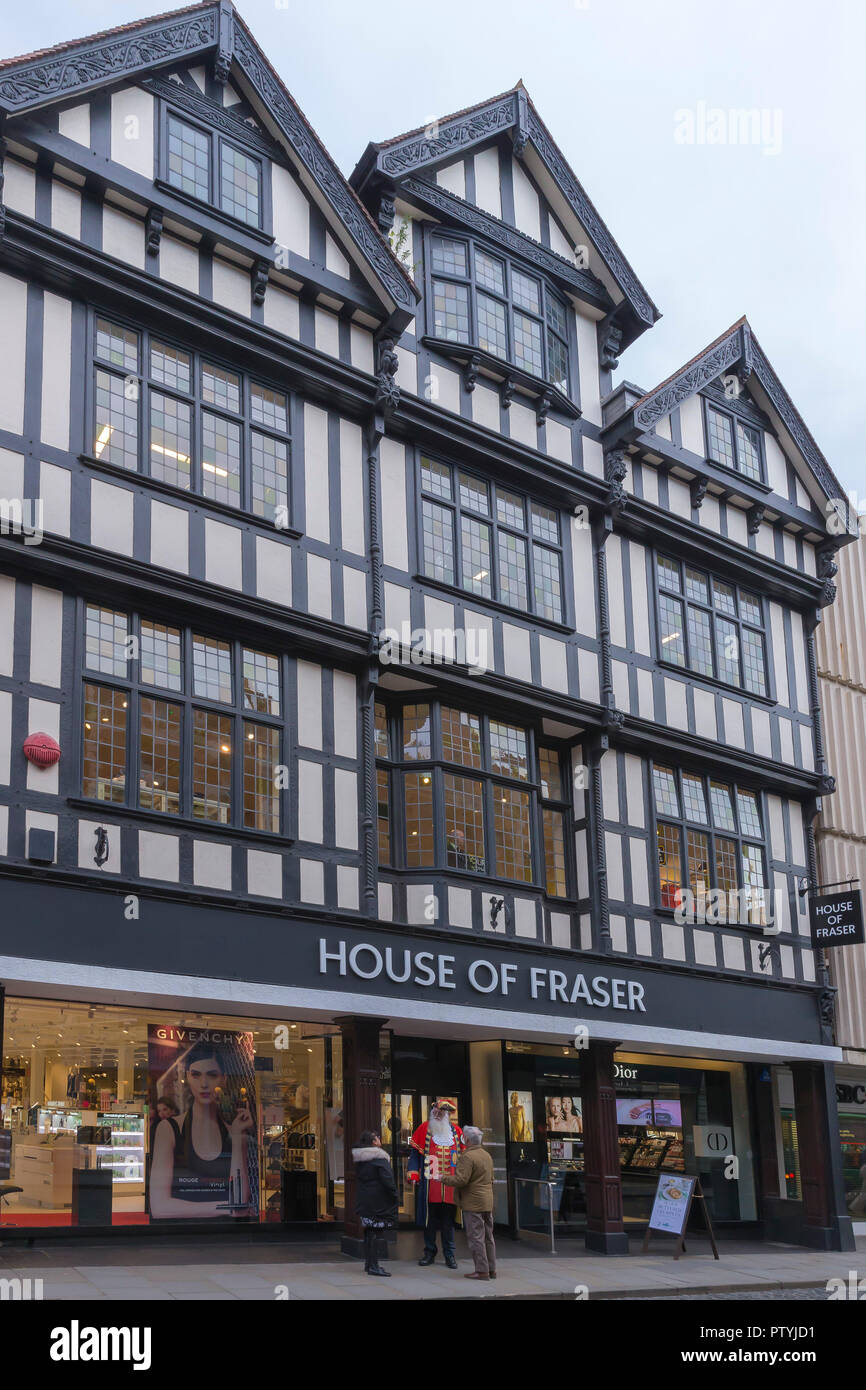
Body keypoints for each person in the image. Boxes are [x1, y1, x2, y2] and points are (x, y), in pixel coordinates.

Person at [149, 1041, 254, 1219]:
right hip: (179, 1236)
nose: (204, 1084)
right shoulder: (169, 1129)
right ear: (187, 1077)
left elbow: (239, 1200)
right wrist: (224, 1208)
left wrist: (237, 1139)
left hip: (225, 1236)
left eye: (212, 1075)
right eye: (196, 1075)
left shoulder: (233, 1131)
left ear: (224, 1079)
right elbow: (159, 1207)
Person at [407, 1098, 465, 1267]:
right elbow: (415, 1155)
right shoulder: (424, 1128)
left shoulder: (457, 1132)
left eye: (442, 1112)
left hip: (450, 1187)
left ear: (447, 1114)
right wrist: (413, 1173)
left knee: (448, 1223)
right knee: (430, 1222)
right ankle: (429, 1252)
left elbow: (465, 1157)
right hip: (430, 1185)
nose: (439, 1115)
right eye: (437, 1112)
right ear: (433, 1112)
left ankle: (450, 1255)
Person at [440, 1125, 497, 1281]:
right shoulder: (487, 1155)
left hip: (473, 1203)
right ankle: (491, 1270)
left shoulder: (467, 1157)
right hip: (487, 1201)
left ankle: (481, 1271)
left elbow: (460, 1180)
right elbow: (491, 1179)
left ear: (466, 1140)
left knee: (476, 1238)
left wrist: (442, 1178)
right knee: (488, 1237)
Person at [352, 1130, 399, 1276]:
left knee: (369, 1231)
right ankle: (373, 1266)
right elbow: (388, 1180)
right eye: (377, 1137)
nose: (379, 1139)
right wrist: (394, 1194)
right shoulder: (380, 1159)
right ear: (373, 1142)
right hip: (378, 1201)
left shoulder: (361, 1158)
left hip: (365, 1199)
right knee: (375, 1232)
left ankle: (369, 1264)